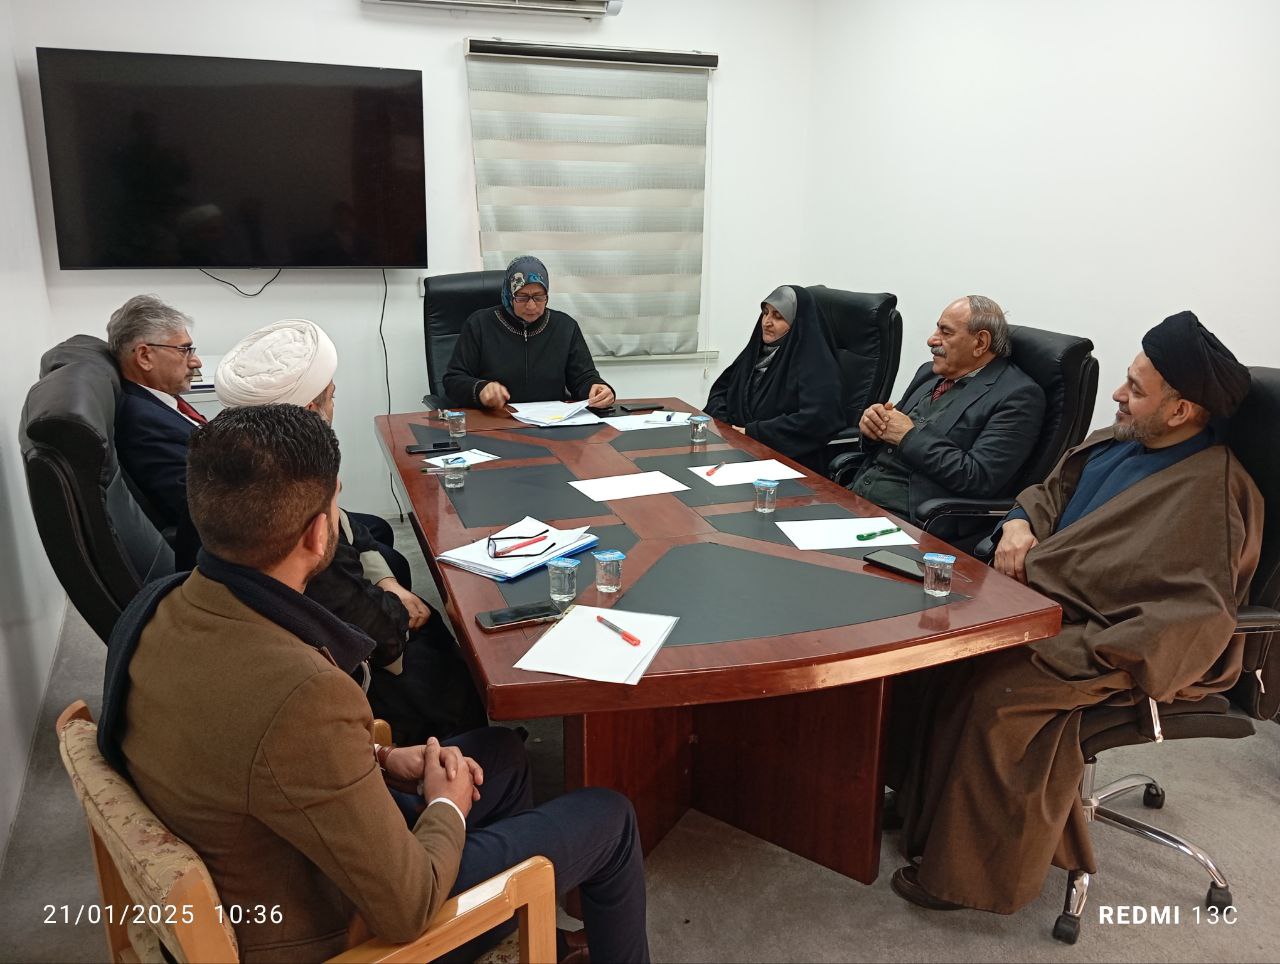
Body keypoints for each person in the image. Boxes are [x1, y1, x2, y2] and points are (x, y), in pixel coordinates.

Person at [98, 404, 650, 962]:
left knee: (500, 755)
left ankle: (527, 930)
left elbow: (255, 743)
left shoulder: (156, 607)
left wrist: (381, 758)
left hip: (273, 843)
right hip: (331, 923)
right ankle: (499, 915)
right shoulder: (304, 690)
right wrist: (447, 807)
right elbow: (408, 907)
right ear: (320, 534)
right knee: (609, 819)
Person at [889, 311, 1263, 916]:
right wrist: (1018, 523)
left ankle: (964, 877)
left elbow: (1195, 615)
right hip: (1041, 604)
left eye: (1135, 389)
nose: (1117, 395)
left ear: (1180, 411)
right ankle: (918, 809)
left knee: (998, 695)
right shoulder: (1123, 439)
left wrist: (1086, 651)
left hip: (1112, 640)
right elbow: (1048, 492)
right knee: (933, 646)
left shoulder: (1211, 492)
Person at [216, 319, 486, 744]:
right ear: (311, 411)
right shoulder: (291, 503)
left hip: (332, 620)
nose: (334, 403)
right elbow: (371, 628)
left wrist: (386, 581)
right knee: (441, 634)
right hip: (356, 675)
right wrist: (398, 606)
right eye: (331, 396)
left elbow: (348, 525)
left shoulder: (238, 462)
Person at [849, 295, 1045, 523]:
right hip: (855, 495)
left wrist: (909, 436)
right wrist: (873, 428)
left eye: (946, 332)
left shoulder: (1019, 396)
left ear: (980, 343)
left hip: (910, 519)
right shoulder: (928, 373)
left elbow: (979, 478)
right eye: (937, 329)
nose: (931, 340)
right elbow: (889, 438)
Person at [703, 285, 846, 471]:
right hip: (738, 447)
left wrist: (755, 432)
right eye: (765, 313)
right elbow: (721, 392)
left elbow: (817, 419)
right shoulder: (756, 352)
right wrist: (727, 426)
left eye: (778, 316)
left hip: (787, 462)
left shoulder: (816, 364)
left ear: (796, 323)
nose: (767, 322)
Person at [443, 255, 615, 409]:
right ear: (509, 294)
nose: (531, 306)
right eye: (522, 297)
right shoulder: (480, 324)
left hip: (552, 422)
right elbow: (453, 380)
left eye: (539, 297)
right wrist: (480, 389)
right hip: (496, 420)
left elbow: (583, 378)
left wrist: (597, 388)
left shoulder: (565, 326)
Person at [109, 294, 204, 537]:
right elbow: (197, 507)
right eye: (185, 350)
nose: (196, 362)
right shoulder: (143, 423)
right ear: (144, 356)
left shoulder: (158, 401)